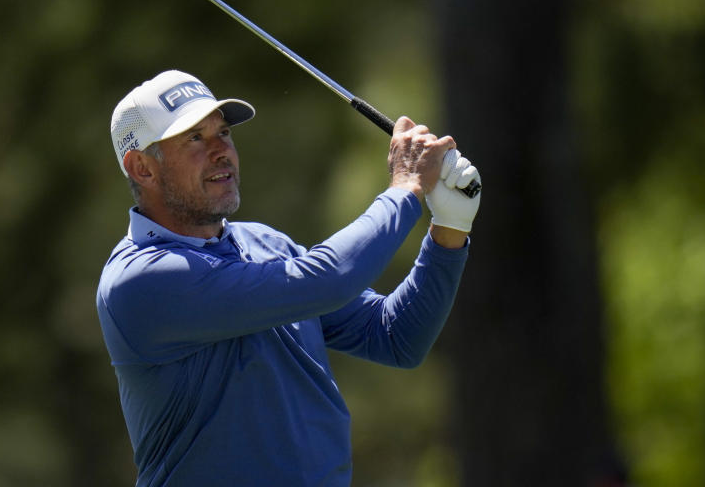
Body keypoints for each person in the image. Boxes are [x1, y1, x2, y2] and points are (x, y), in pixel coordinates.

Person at [96, 69, 481, 487]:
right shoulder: (141, 279)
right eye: (194, 138)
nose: (220, 150)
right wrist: (404, 189)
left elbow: (394, 336)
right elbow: (329, 279)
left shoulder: (265, 244)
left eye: (223, 132)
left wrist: (449, 230)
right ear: (142, 168)